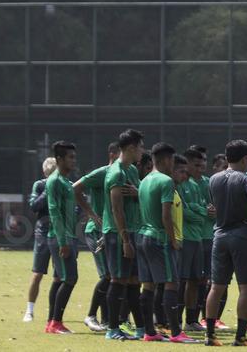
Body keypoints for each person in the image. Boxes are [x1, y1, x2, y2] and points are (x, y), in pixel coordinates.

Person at [204, 139, 247, 347]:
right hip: (241, 235)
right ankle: (240, 337)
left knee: (216, 287)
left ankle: (210, 335)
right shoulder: (246, 179)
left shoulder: (213, 179)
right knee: (246, 287)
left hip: (219, 236)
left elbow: (215, 207)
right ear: (246, 158)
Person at [136, 142, 188, 342]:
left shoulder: (145, 180)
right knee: (171, 283)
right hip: (159, 238)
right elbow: (166, 214)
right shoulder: (166, 181)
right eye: (173, 160)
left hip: (142, 236)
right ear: (166, 160)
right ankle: (176, 333)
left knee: (148, 285)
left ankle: (149, 332)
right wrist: (173, 240)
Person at [45, 141, 98, 334]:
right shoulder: (54, 181)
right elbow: (54, 212)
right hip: (62, 238)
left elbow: (68, 211)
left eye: (75, 157)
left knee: (59, 278)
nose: (74, 161)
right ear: (59, 159)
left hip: (69, 236)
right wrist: (63, 241)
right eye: (70, 157)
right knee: (70, 278)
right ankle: (56, 322)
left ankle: (51, 322)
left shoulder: (67, 182)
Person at [103, 128, 145, 341]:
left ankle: (140, 328)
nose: (142, 151)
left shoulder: (132, 171)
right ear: (130, 148)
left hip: (133, 231)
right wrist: (125, 240)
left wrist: (139, 194)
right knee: (118, 280)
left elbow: (139, 196)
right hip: (119, 234)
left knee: (134, 281)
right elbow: (116, 209)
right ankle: (111, 328)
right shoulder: (116, 173)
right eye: (140, 147)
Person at [72, 141, 118, 332]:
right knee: (107, 275)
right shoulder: (102, 173)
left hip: (111, 229)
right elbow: (75, 188)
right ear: (113, 154)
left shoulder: (124, 173)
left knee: (113, 276)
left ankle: (107, 320)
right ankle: (91, 315)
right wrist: (91, 213)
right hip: (96, 230)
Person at [179, 147, 214, 332]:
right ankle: (174, 319)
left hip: (203, 237)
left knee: (198, 280)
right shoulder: (180, 183)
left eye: (203, 164)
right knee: (181, 280)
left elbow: (205, 207)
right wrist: (201, 212)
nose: (201, 168)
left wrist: (202, 211)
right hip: (186, 238)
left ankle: (191, 319)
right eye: (197, 165)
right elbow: (184, 211)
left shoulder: (203, 183)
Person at [23, 156, 56, 323]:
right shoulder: (40, 185)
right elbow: (34, 206)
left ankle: (56, 314)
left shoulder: (66, 185)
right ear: (45, 173)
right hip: (43, 233)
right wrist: (47, 191)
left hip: (60, 234)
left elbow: (78, 205)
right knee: (37, 274)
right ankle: (29, 310)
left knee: (60, 276)